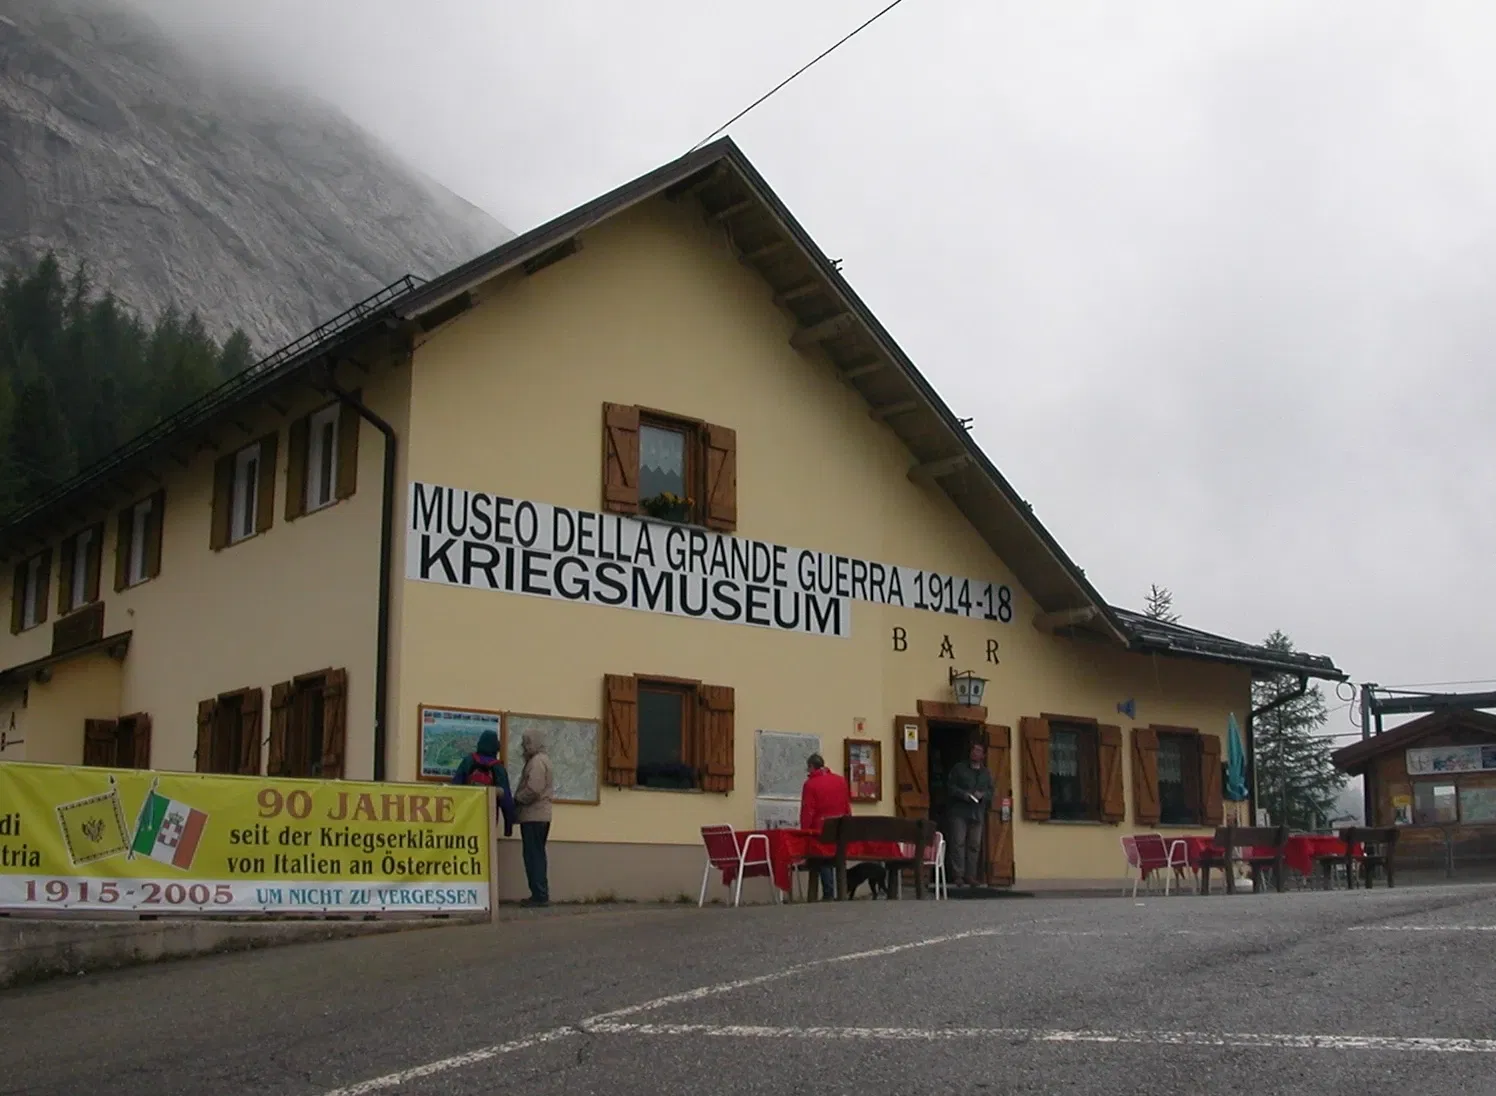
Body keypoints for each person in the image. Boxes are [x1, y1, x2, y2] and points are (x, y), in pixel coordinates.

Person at [799, 753, 851, 899]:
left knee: (819, 856)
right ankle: (838, 892)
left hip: (820, 834)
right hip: (839, 834)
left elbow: (807, 812)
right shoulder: (840, 781)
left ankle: (828, 893)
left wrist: (804, 832)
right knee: (834, 856)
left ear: (811, 766)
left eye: (808, 769)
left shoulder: (810, 784)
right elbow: (847, 808)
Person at [513, 729, 555, 907]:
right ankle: (539, 893)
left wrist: (517, 799)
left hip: (534, 816)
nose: (524, 747)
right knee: (536, 854)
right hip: (540, 816)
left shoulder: (537, 762)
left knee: (533, 856)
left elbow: (533, 789)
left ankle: (539, 895)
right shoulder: (543, 760)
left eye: (526, 743)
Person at [946, 741, 994, 887]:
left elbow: (991, 791)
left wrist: (983, 795)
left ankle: (971, 876)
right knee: (958, 843)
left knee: (974, 845)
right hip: (960, 811)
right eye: (973, 750)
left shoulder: (986, 773)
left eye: (978, 751)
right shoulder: (959, 769)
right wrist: (964, 794)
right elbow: (950, 787)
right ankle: (958, 875)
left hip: (977, 812)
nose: (975, 753)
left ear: (983, 755)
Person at [451, 729, 515, 837]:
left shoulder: (468, 761)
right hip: (489, 817)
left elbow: (455, 788)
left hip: (467, 814)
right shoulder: (498, 768)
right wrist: (508, 828)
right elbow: (506, 799)